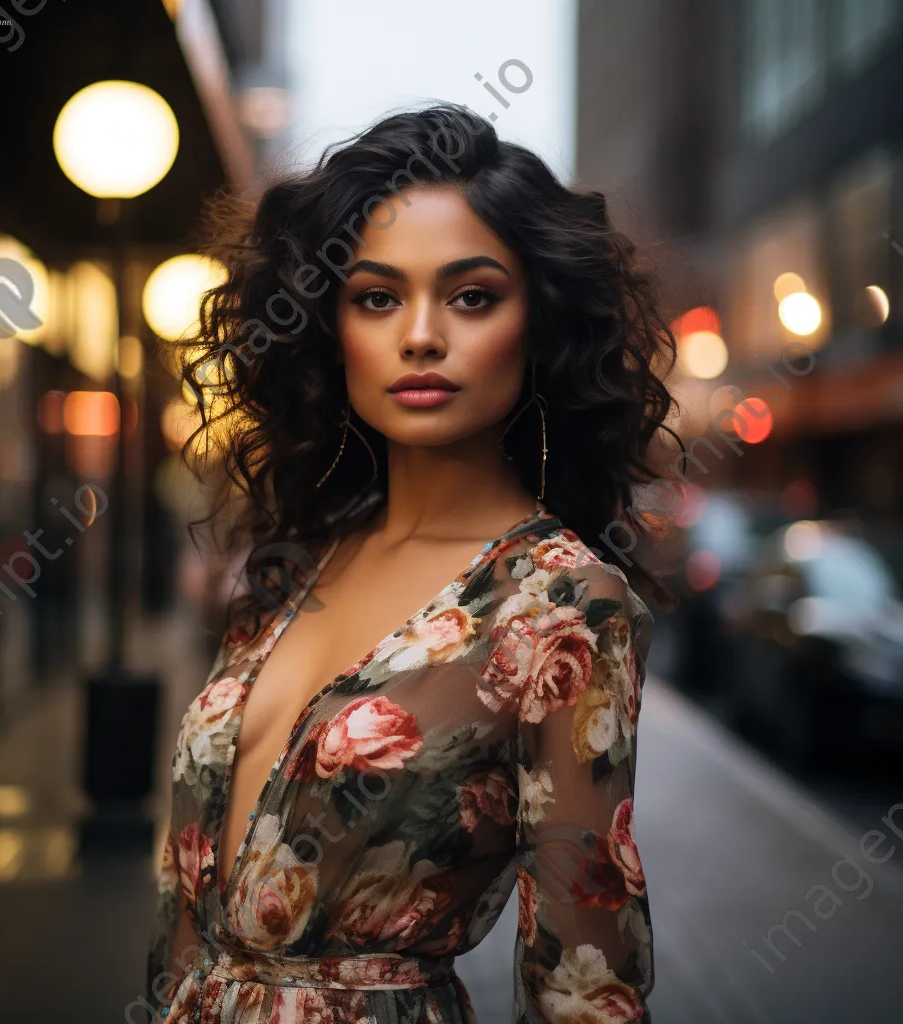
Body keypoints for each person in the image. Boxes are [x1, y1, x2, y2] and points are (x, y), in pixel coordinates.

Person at [144, 102, 679, 1024]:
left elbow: (586, 980)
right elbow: (183, 914)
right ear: (331, 323)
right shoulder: (296, 565)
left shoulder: (560, 605)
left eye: (472, 296)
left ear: (539, 324)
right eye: (377, 297)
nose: (421, 334)